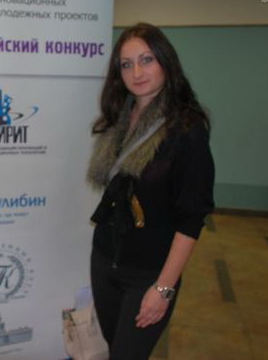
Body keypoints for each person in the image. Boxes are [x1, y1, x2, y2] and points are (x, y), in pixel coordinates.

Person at [86, 23, 215, 358]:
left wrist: (164, 288)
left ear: (165, 62)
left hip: (149, 272)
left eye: (146, 60)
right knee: (114, 349)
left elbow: (192, 218)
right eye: (126, 64)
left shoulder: (186, 128)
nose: (137, 72)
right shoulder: (118, 118)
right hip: (105, 260)